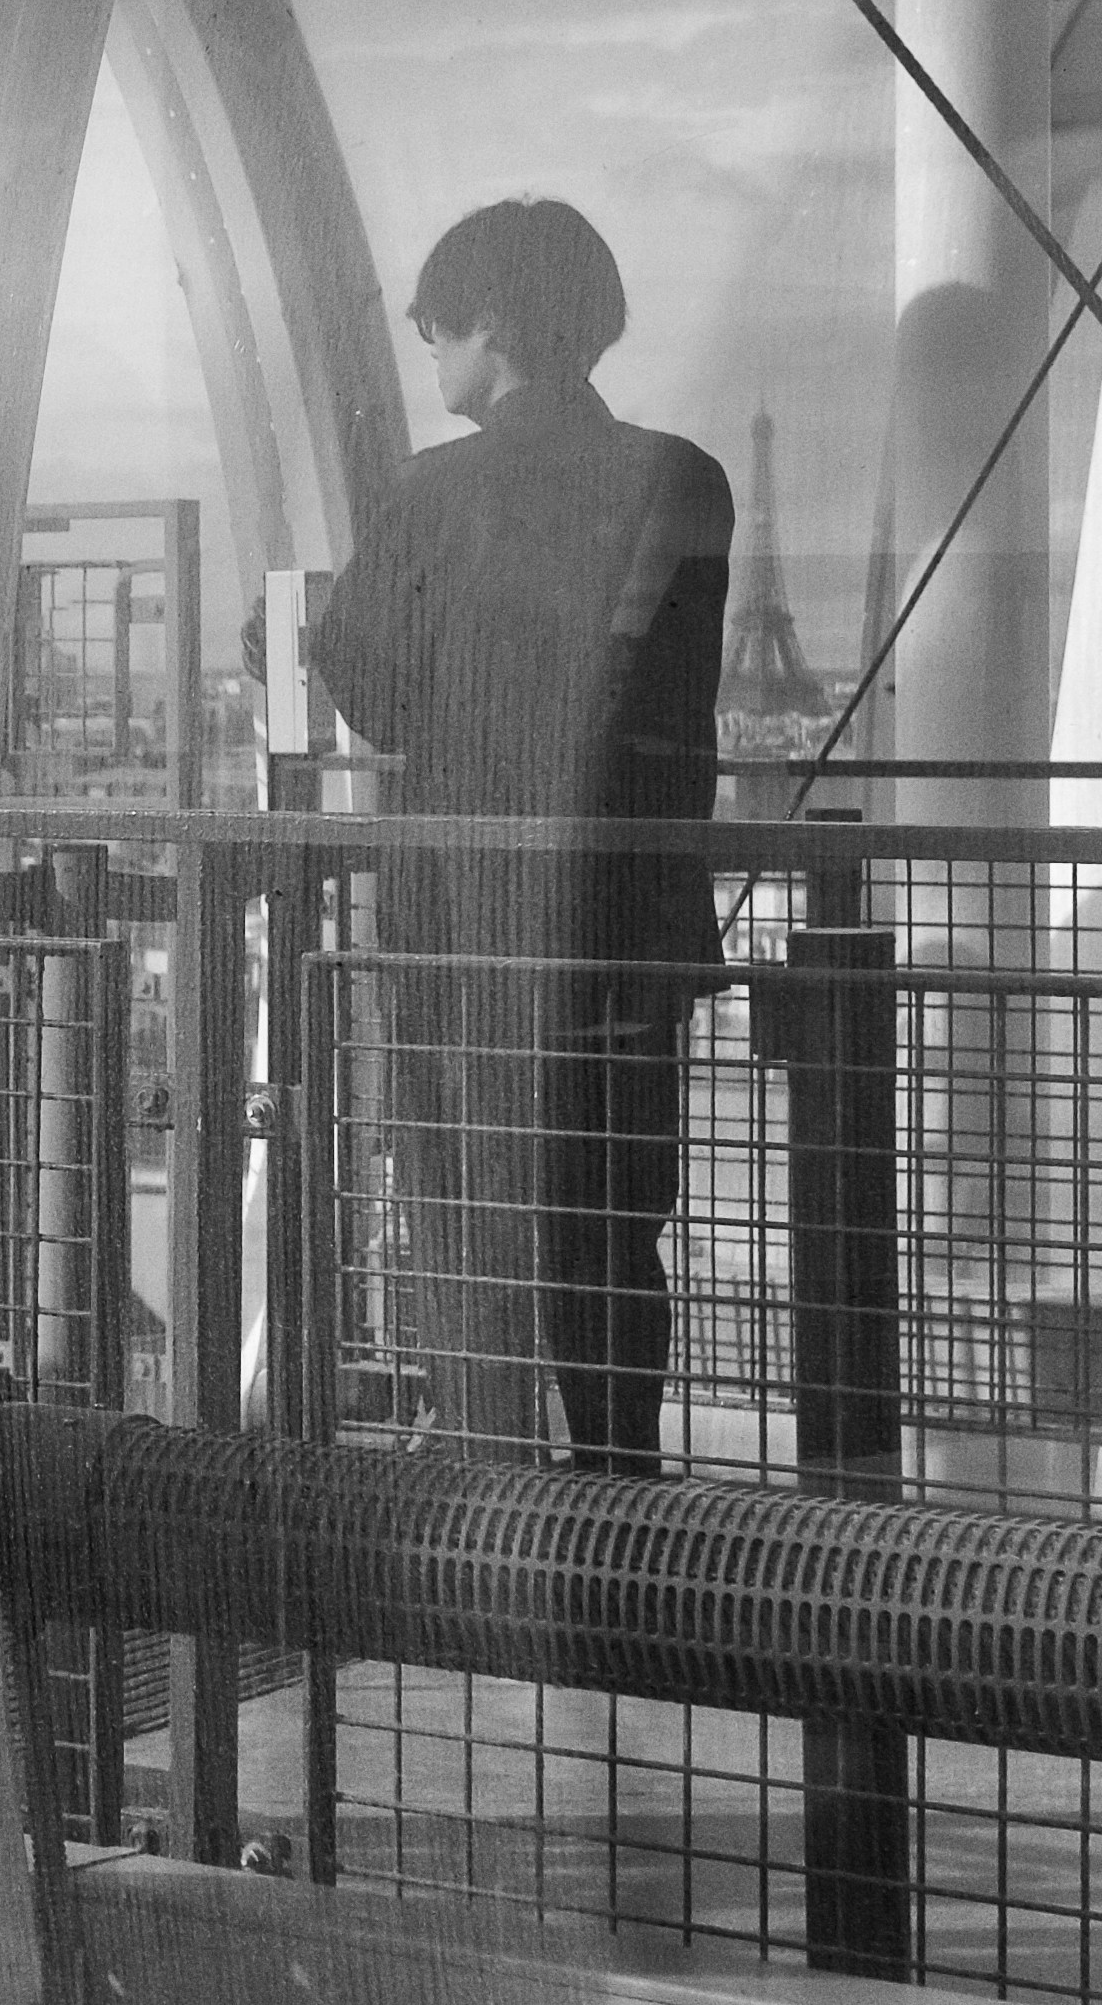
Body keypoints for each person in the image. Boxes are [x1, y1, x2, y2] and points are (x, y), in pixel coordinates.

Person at [308, 198, 731, 1473]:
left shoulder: (432, 494)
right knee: (611, 1228)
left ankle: (492, 1490)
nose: (430, 356)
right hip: (622, 933)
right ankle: (618, 1489)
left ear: (490, 327)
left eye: (436, 330)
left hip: (461, 937)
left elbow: (377, 694)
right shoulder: (683, 478)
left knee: (465, 1219)